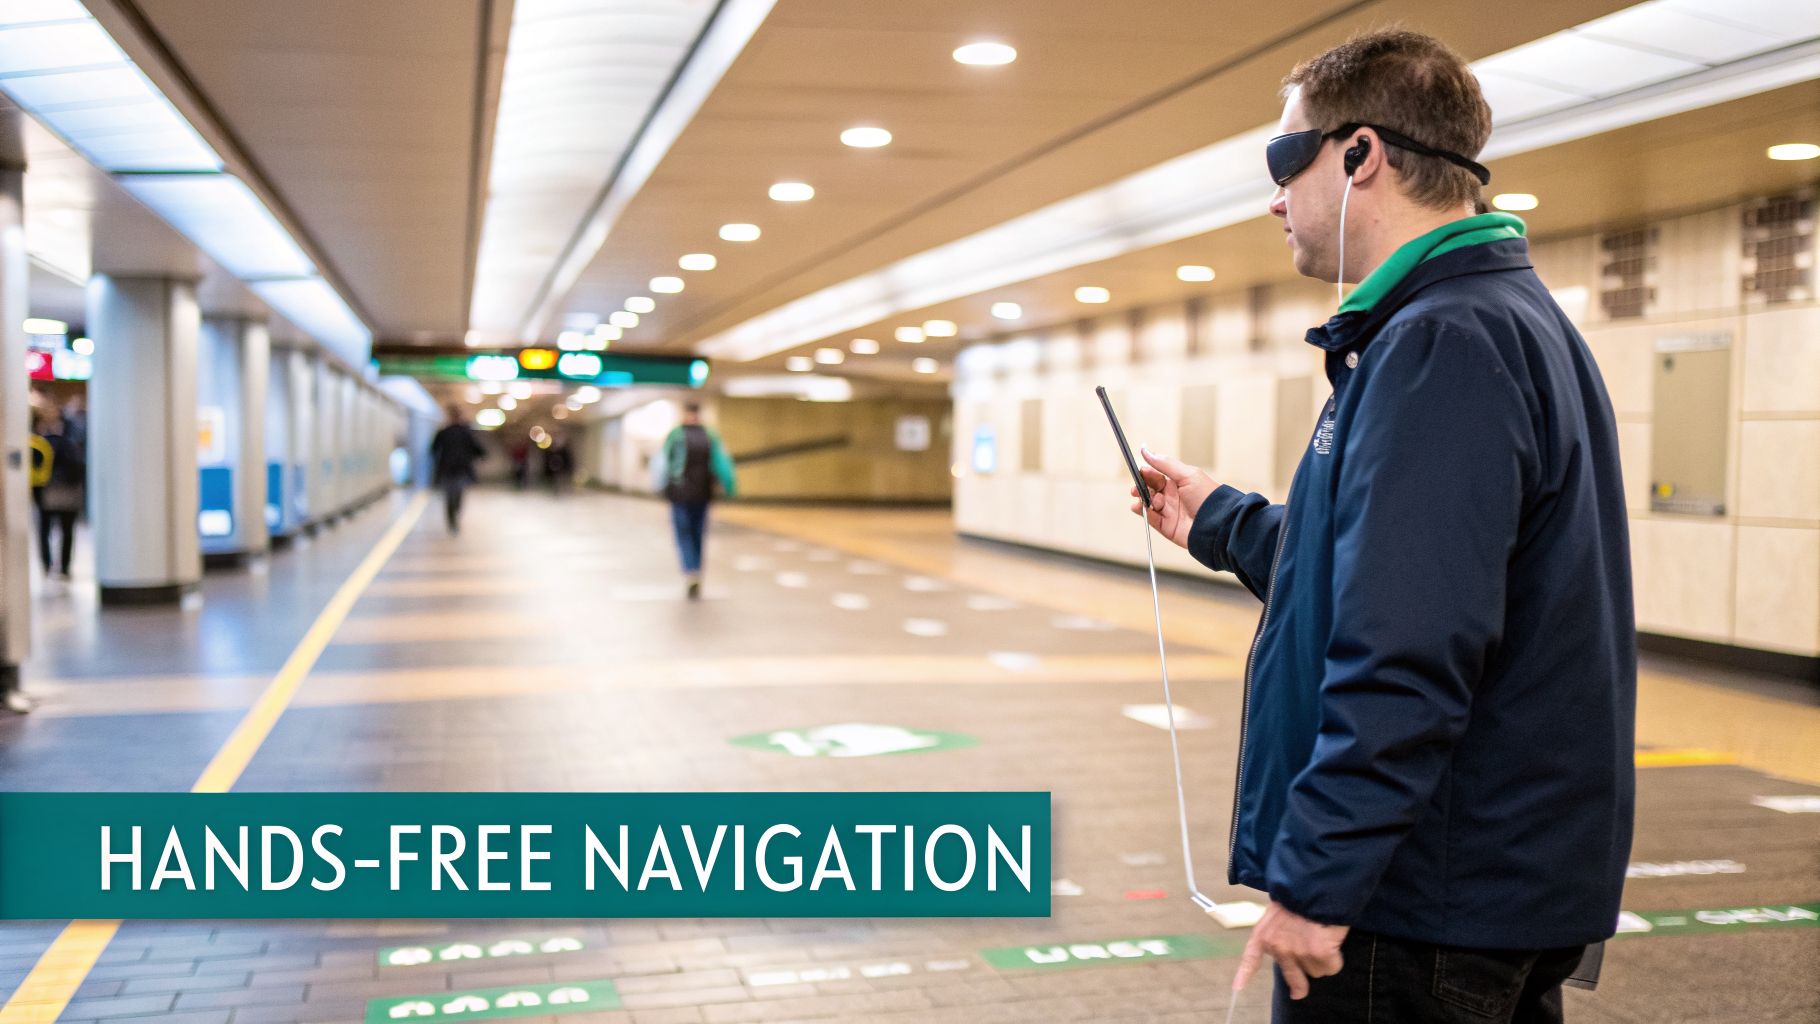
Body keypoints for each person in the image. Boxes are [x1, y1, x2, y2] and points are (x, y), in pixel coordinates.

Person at [1131, 30, 1634, 1023]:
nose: (1270, 197)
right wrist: (1219, 521)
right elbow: (1388, 577)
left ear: (1360, 155)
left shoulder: (1439, 344)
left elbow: (1408, 646)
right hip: (1476, 884)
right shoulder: (1493, 321)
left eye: (1283, 163)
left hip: (1415, 899)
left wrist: (1317, 880)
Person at [660, 402, 736, 600]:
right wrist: (729, 487)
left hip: (679, 493)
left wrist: (661, 486)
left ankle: (690, 569)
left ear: (685, 414)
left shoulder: (676, 434)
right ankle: (696, 570)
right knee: (697, 533)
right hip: (703, 493)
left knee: (682, 532)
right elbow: (722, 463)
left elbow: (662, 462)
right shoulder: (710, 435)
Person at [30, 408, 84, 579]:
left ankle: (47, 564)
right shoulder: (71, 444)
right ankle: (65, 567)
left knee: (44, 530)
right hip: (70, 495)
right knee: (67, 532)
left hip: (47, 494)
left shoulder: (40, 444)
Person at [429, 405, 485, 534]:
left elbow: (433, 449)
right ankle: (454, 519)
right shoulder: (465, 432)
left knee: (451, 496)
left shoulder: (444, 432)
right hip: (460, 469)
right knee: (457, 495)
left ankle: (452, 520)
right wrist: (480, 456)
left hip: (448, 469)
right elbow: (476, 448)